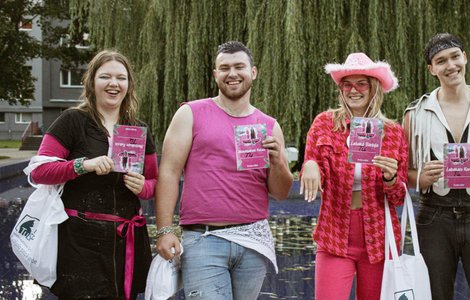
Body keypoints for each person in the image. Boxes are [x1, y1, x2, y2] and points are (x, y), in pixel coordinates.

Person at [154, 41, 293, 299]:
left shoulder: (269, 126)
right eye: (224, 67)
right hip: (204, 238)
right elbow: (169, 173)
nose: (232, 73)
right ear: (215, 74)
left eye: (239, 66)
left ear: (253, 72)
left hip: (253, 240)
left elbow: (281, 192)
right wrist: (164, 230)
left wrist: (278, 163)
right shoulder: (190, 113)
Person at [30, 50, 158, 300]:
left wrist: (142, 187)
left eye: (121, 78)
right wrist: (82, 166)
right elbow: (39, 171)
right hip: (80, 242)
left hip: (125, 241)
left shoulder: (138, 129)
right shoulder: (73, 121)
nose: (113, 83)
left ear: (129, 84)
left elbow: (155, 183)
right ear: (92, 82)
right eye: (105, 77)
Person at [403, 33, 470, 300]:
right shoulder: (415, 115)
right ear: (432, 69)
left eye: (455, 56)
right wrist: (423, 179)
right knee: (433, 296)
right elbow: (403, 175)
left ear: (465, 57)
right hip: (433, 218)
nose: (450, 65)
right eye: (441, 61)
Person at [300, 52, 409, 300]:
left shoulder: (393, 133)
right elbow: (315, 170)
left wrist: (391, 178)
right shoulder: (324, 124)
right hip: (334, 232)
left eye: (361, 84)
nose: (353, 90)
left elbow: (399, 198)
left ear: (374, 89)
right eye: (347, 84)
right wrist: (310, 166)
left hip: (379, 237)